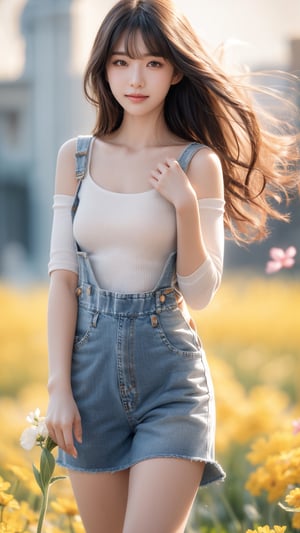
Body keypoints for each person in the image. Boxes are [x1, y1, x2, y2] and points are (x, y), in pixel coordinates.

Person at [45, 1, 299, 532]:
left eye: (153, 63)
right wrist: (58, 390)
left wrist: (184, 205)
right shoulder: (76, 158)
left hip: (171, 380)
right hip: (86, 380)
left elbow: (201, 292)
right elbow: (62, 280)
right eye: (120, 62)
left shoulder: (197, 164)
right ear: (102, 69)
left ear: (176, 69)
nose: (135, 79)